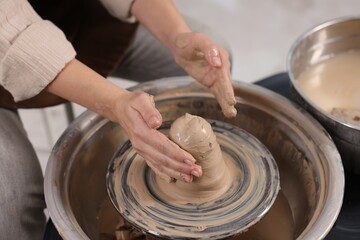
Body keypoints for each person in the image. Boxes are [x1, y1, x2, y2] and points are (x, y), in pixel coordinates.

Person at [0, 0, 237, 239]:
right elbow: (12, 34)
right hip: (7, 40)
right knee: (10, 201)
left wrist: (179, 37)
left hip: (75, 17)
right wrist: (116, 103)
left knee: (209, 64)